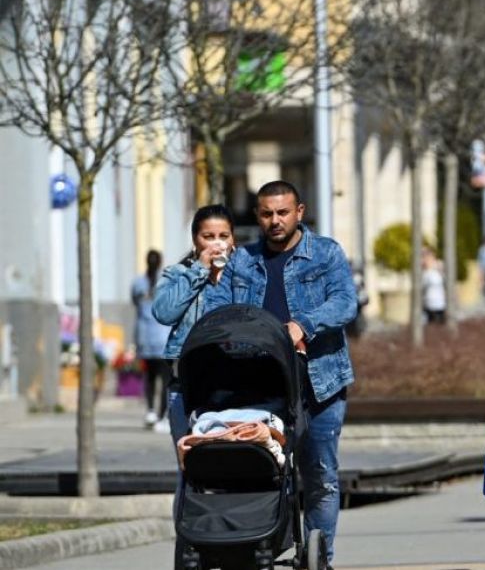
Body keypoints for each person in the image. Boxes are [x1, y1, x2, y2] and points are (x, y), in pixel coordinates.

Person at [207, 181, 358, 566]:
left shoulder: (324, 254)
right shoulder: (243, 261)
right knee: (259, 470)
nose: (275, 221)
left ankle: (319, 557)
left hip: (319, 383)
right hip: (260, 387)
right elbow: (220, 308)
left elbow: (344, 302)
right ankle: (260, 545)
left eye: (282, 213)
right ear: (257, 216)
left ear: (299, 212)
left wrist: (303, 324)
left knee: (320, 475)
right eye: (266, 214)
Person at [152, 204, 235, 569]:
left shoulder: (244, 274)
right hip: (186, 385)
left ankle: (234, 538)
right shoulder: (180, 273)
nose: (217, 244)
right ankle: (189, 547)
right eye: (208, 237)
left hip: (233, 386)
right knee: (190, 469)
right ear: (195, 240)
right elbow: (164, 312)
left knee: (235, 466)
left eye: (223, 236)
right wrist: (199, 271)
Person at [132, 250, 173, 431]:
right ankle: (161, 415)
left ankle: (150, 411)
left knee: (149, 377)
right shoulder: (167, 281)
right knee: (165, 379)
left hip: (146, 336)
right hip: (163, 337)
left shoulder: (138, 283)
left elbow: (135, 302)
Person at [421, 248, 447, 325]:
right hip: (429, 305)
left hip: (440, 304)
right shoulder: (424, 272)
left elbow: (445, 282)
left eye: (431, 257)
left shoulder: (438, 269)